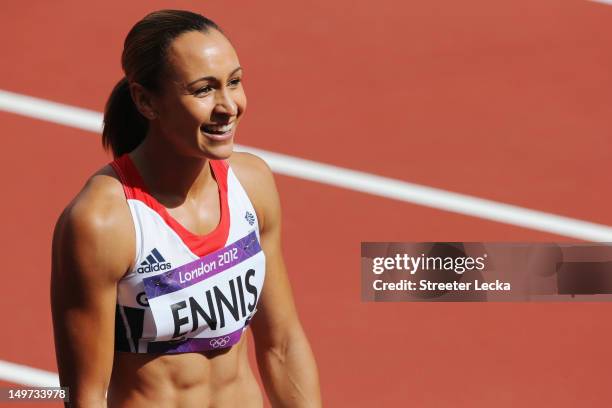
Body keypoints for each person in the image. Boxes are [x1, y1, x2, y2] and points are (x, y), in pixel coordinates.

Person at [50, 9, 321, 408]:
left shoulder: (252, 184)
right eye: (203, 90)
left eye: (234, 82)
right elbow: (85, 394)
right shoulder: (104, 222)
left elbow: (281, 343)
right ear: (146, 101)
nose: (228, 106)